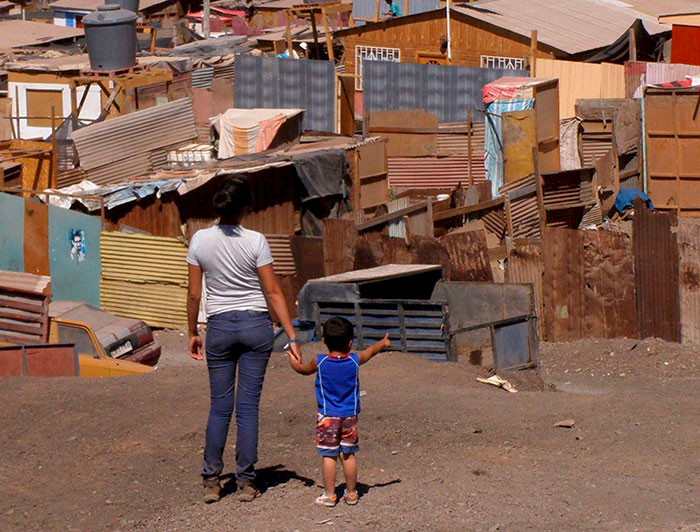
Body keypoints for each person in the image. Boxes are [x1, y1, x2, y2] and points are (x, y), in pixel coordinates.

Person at [187, 176, 302, 504]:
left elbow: (195, 293)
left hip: (220, 328)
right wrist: (292, 336)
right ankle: (246, 482)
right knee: (248, 408)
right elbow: (273, 291)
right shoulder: (256, 241)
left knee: (219, 406)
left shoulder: (199, 240)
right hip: (256, 328)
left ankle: (211, 481)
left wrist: (193, 331)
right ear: (245, 207)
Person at [287, 317, 391, 507]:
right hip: (350, 415)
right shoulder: (354, 360)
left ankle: (329, 495)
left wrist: (294, 362)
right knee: (348, 454)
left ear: (324, 341)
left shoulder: (320, 361)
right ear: (350, 342)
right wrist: (383, 343)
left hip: (327, 416)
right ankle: (351, 494)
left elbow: (302, 370)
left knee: (329, 455)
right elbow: (371, 351)